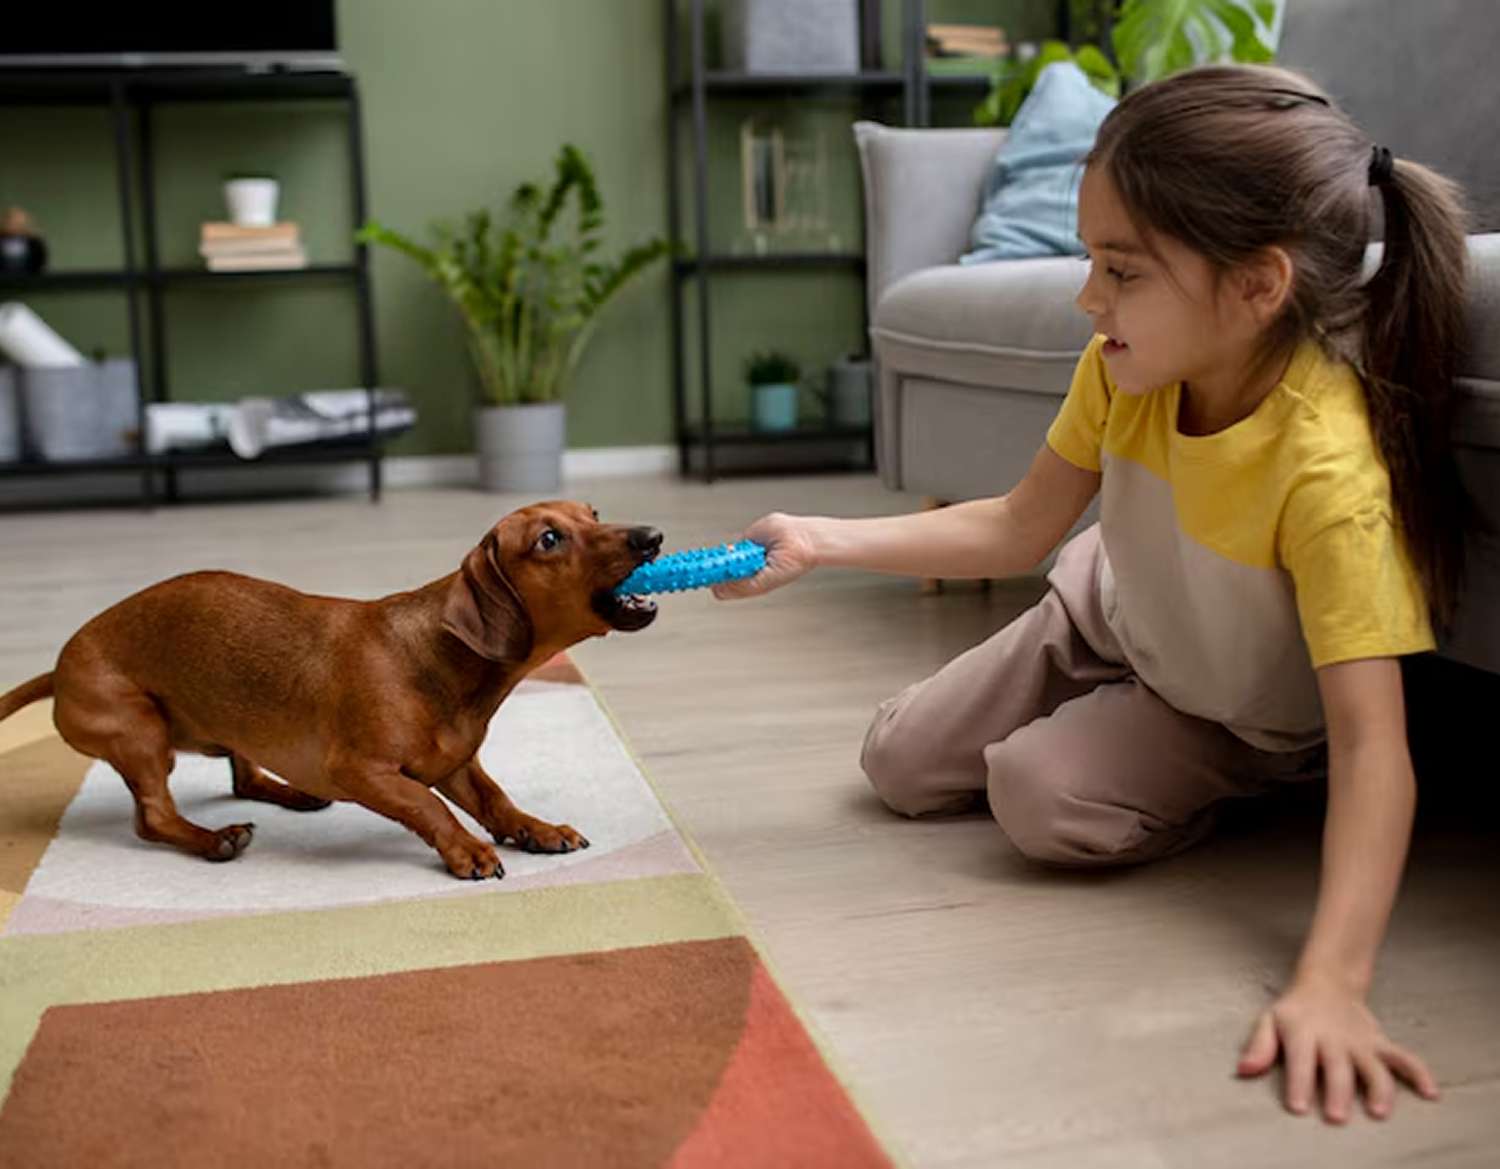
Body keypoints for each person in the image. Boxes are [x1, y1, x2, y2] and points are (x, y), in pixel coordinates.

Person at [713, 64, 1470, 1125]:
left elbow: (1374, 744)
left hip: (1232, 713)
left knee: (1039, 796)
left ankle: (1192, 774)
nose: (1088, 297)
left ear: (1259, 285)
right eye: (1091, 260)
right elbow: (1020, 525)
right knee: (896, 759)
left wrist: (1333, 980)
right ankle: (1087, 689)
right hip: (1105, 609)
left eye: (1122, 268)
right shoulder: (1123, 366)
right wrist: (818, 539)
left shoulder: (1324, 470)